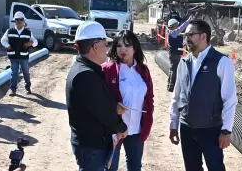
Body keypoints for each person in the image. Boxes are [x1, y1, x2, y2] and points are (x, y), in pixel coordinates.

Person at [168, 19, 238, 171]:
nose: (186, 38)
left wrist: (226, 130)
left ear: (203, 36)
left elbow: (230, 99)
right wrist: (173, 124)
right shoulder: (184, 62)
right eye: (185, 35)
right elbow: (177, 95)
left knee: (215, 167)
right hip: (186, 127)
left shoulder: (222, 62)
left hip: (211, 130)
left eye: (190, 34)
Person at [65, 21, 128, 171]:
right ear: (95, 46)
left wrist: (113, 107)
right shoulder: (85, 75)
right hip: (91, 146)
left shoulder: (85, 69)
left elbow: (95, 104)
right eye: (105, 44)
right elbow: (102, 112)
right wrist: (121, 127)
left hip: (90, 144)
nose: (107, 48)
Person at [102, 30, 154, 171]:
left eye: (127, 45)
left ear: (135, 48)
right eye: (119, 46)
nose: (123, 49)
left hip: (136, 130)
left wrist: (148, 121)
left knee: (135, 167)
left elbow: (149, 98)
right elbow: (100, 99)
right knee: (110, 167)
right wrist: (114, 107)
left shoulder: (143, 70)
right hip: (114, 130)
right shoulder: (108, 69)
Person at [0, 11, 38, 96]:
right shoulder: (9, 31)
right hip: (13, 56)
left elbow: (36, 42)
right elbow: (3, 40)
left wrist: (31, 43)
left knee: (26, 72)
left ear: (24, 21)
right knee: (14, 72)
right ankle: (13, 90)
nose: (19, 21)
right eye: (17, 20)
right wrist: (8, 46)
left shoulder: (28, 32)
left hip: (24, 57)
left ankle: (28, 88)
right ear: (15, 21)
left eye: (21, 19)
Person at [166, 15, 194, 92]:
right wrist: (188, 21)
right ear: (172, 26)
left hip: (174, 54)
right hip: (174, 54)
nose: (178, 26)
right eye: (176, 25)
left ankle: (170, 85)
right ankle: (172, 87)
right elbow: (181, 28)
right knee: (174, 70)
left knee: (172, 69)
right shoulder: (173, 32)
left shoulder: (173, 33)